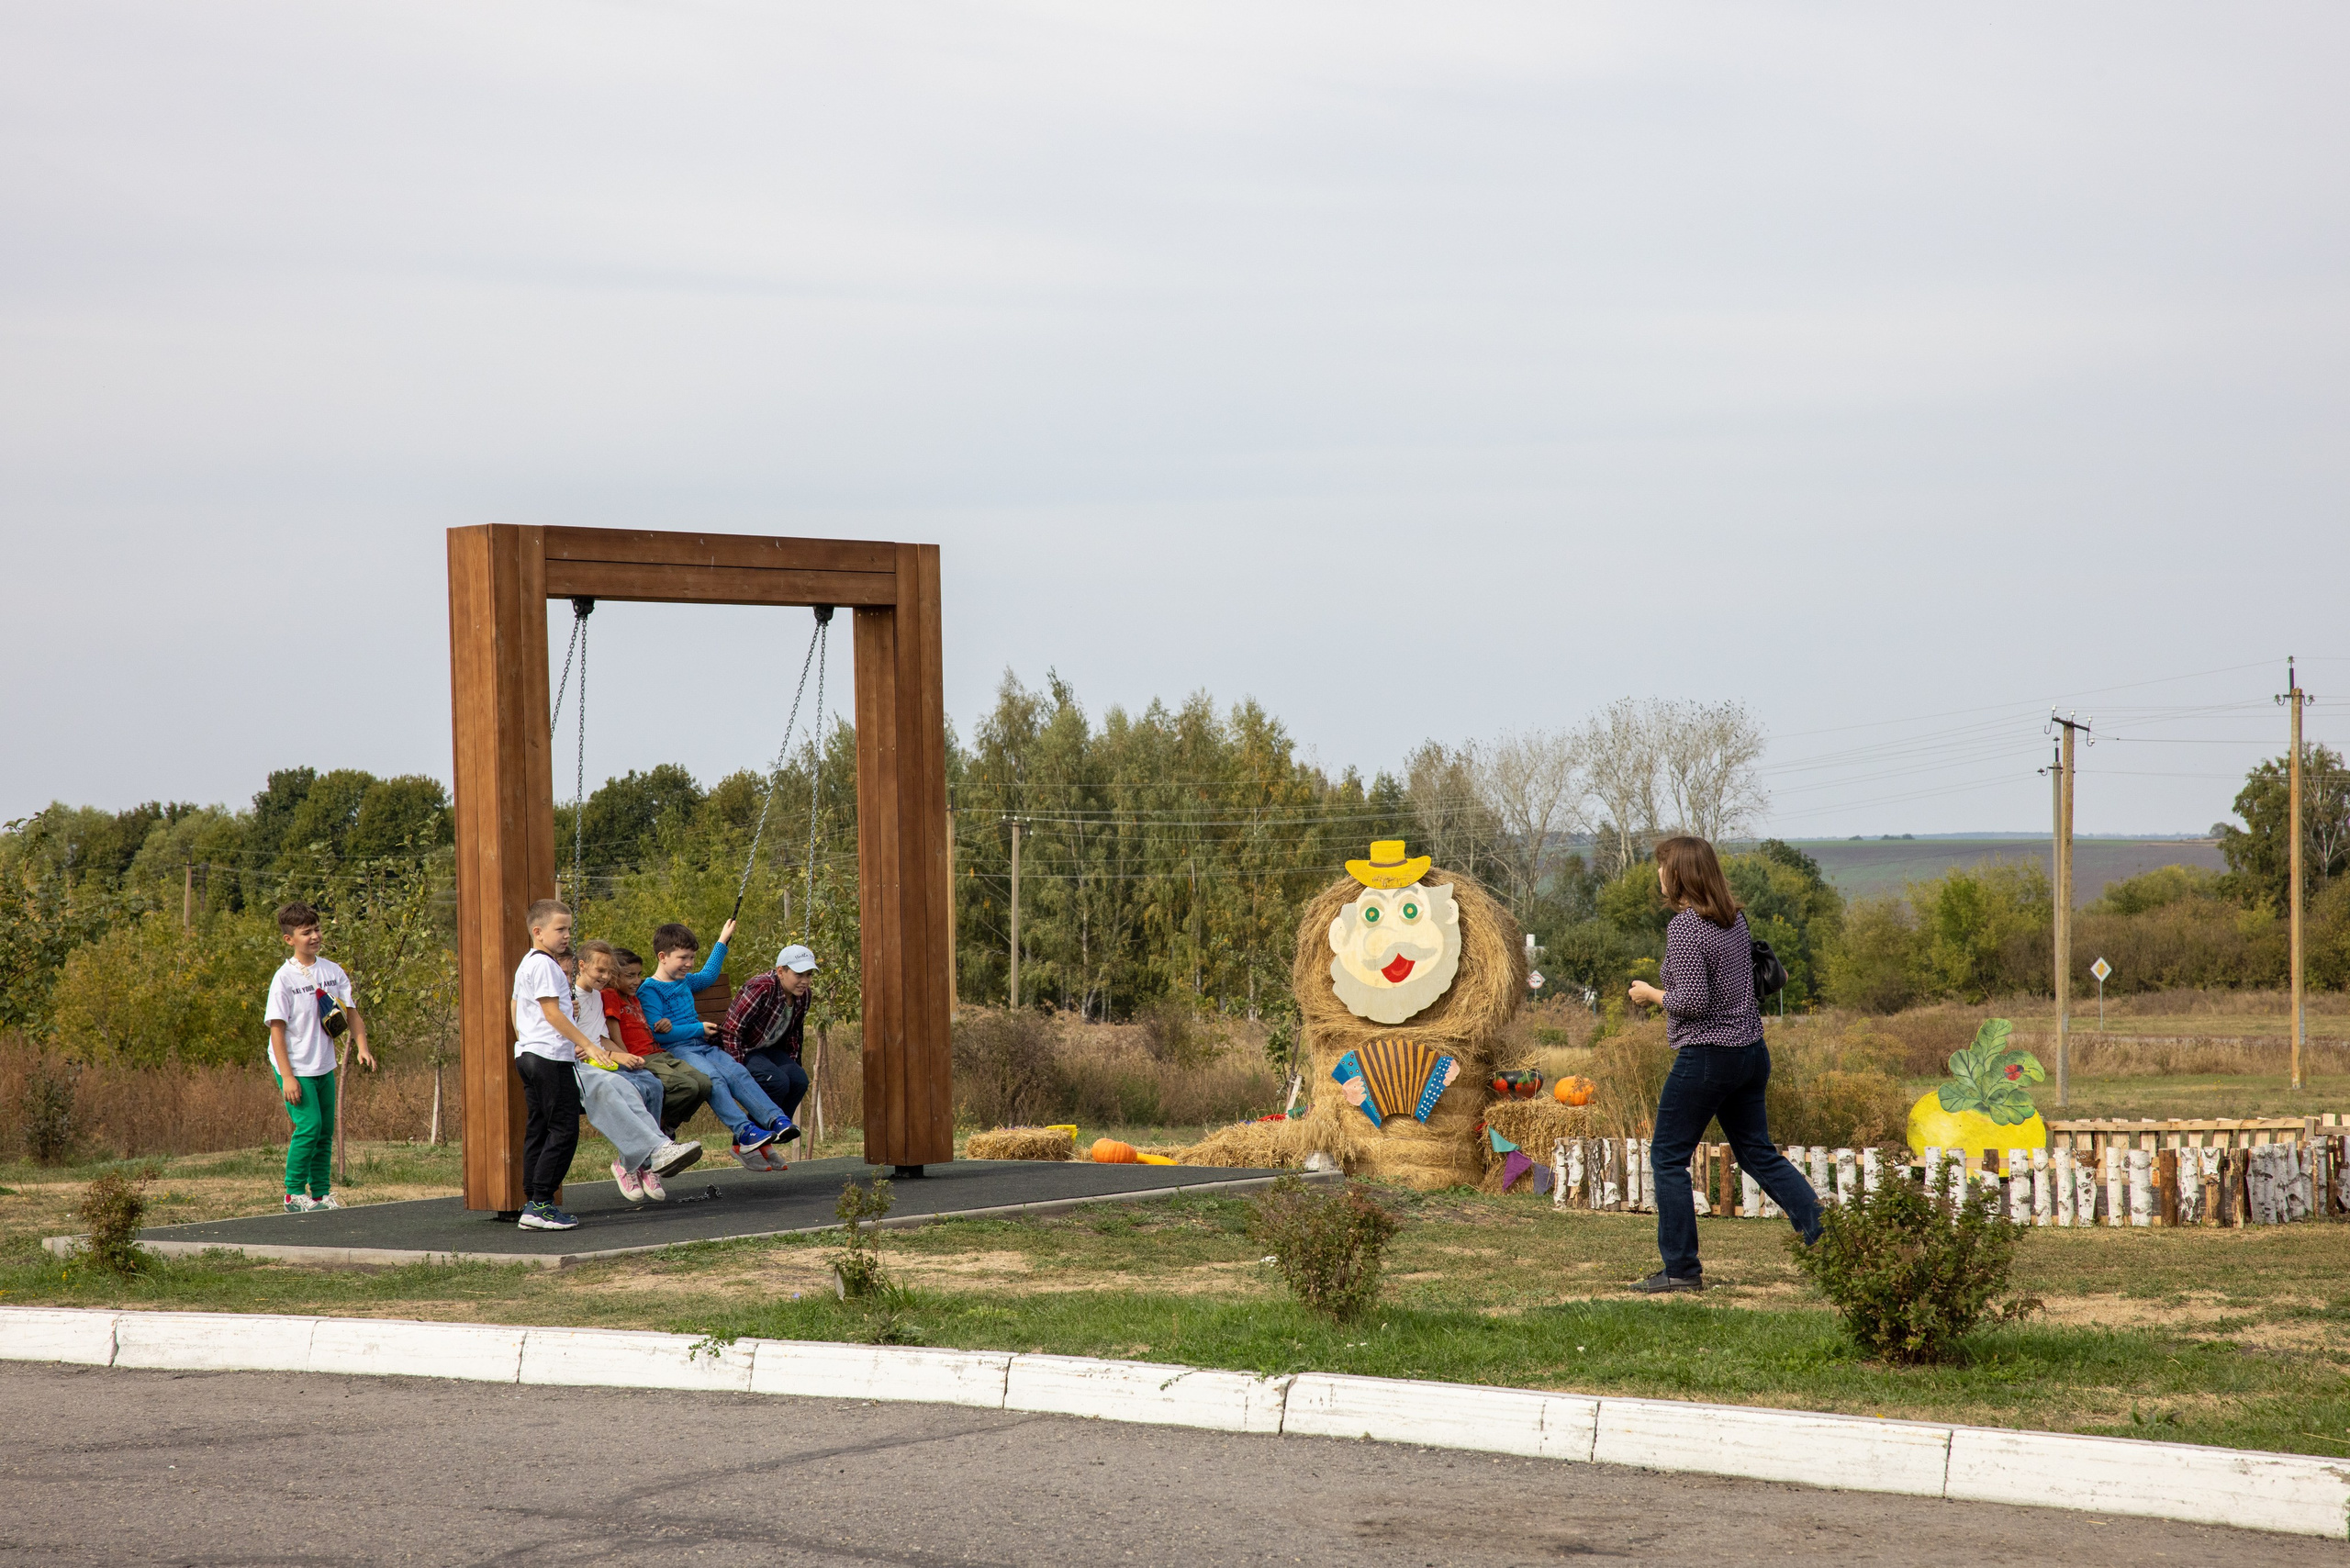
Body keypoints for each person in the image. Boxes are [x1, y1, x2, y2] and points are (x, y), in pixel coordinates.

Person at [1625, 835, 1820, 1293]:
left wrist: (1651, 994)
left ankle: (1680, 1271)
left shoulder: (1686, 928)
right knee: (1758, 1153)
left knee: (1667, 1157)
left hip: (1709, 1056)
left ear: (1680, 874)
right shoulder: (1735, 920)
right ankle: (1824, 1235)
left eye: (1662, 865)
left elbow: (1692, 1002)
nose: (1658, 873)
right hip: (1751, 1053)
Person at [637, 918, 795, 1170]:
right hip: (677, 1050)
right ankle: (743, 1131)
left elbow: (709, 975)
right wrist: (698, 1027)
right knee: (713, 1078)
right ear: (663, 956)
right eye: (683, 958)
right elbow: (661, 1036)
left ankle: (775, 1119)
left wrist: (723, 939)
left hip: (703, 1046)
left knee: (738, 1072)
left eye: (692, 958)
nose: (689, 964)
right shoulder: (649, 990)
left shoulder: (684, 981)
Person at [569, 940, 703, 1203]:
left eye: (609, 972)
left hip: (603, 1058)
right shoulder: (571, 997)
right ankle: (633, 1162)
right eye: (601, 971)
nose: (606, 978)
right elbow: (579, 1044)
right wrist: (614, 1055)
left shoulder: (597, 995)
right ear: (582, 967)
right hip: (586, 1065)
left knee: (652, 1085)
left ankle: (646, 1161)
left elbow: (599, 1037)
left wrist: (622, 1055)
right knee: (637, 1087)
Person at [263, 901, 375, 1213]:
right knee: (309, 1125)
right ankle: (293, 1193)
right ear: (289, 939)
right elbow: (276, 1030)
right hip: (294, 1065)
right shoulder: (284, 979)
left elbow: (351, 1013)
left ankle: (320, 1194)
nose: (314, 936)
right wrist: (287, 1076)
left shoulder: (332, 970)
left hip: (323, 1063)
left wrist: (363, 1046)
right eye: (306, 932)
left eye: (316, 929)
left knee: (325, 1129)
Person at [510, 897, 610, 1231]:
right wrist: (589, 1046)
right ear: (538, 932)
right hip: (550, 1058)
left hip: (529, 1055)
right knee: (564, 1129)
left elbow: (516, 1007)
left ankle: (533, 1201)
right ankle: (541, 1204)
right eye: (560, 929)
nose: (567, 935)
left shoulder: (527, 963)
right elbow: (552, 1013)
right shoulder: (545, 965)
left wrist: (525, 1039)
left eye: (568, 928)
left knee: (539, 1127)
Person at [605, 946, 711, 1136]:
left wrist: (664, 1023)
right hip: (641, 1057)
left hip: (659, 1053)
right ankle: (654, 1128)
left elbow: (648, 1024)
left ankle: (667, 1125)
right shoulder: (611, 996)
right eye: (630, 976)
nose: (637, 981)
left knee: (703, 1083)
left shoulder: (634, 998)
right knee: (687, 1086)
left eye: (639, 975)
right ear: (614, 976)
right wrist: (626, 1058)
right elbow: (614, 1033)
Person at [720, 944, 818, 1144]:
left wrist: (792, 1063)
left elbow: (794, 1033)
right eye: (799, 975)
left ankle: (773, 1136)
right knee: (777, 1082)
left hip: (769, 1049)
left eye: (809, 975)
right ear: (781, 971)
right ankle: (744, 1140)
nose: (805, 981)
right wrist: (736, 1070)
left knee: (798, 1080)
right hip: (742, 1048)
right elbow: (731, 1030)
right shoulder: (761, 988)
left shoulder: (804, 996)